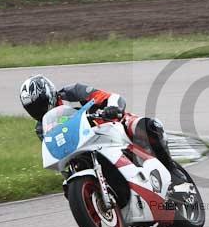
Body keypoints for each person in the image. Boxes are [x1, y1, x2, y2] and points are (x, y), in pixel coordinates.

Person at [19, 75, 184, 182]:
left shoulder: (73, 93)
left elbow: (110, 97)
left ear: (49, 94)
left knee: (147, 126)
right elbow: (56, 152)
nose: (38, 111)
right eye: (32, 109)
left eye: (40, 105)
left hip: (110, 126)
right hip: (84, 148)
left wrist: (112, 108)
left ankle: (172, 172)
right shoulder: (42, 127)